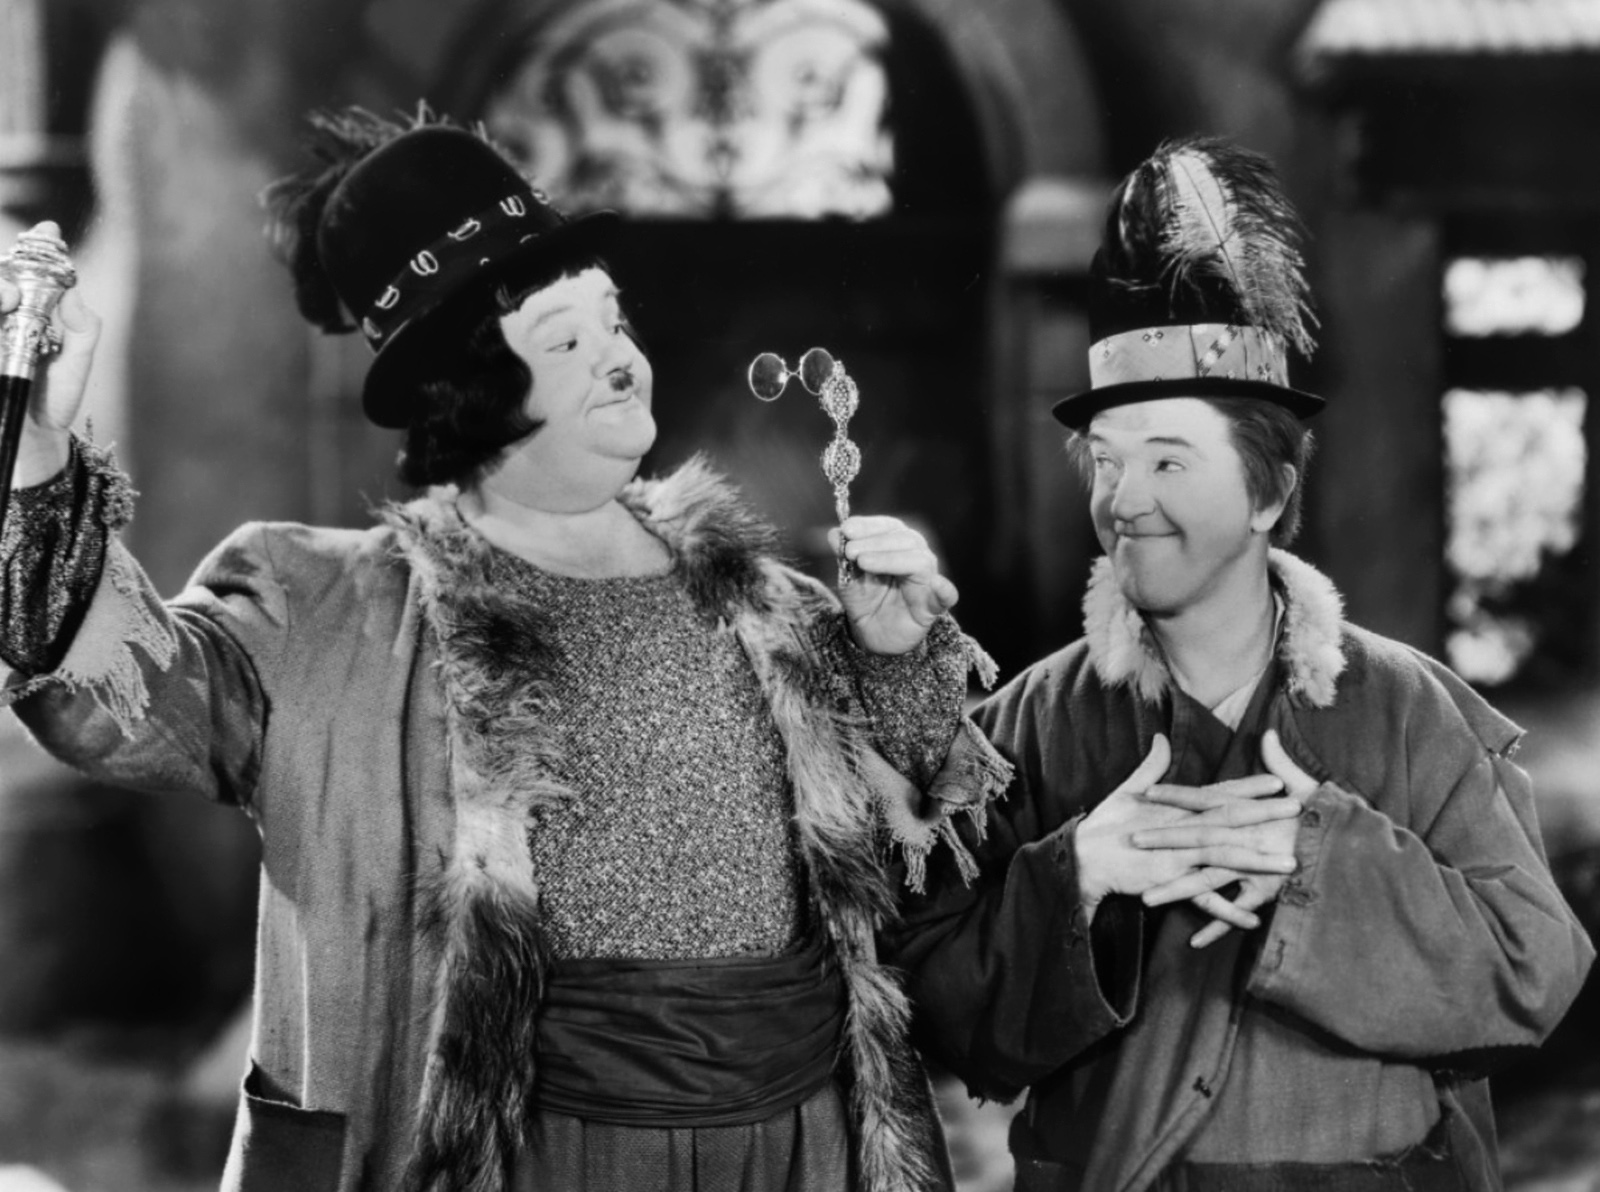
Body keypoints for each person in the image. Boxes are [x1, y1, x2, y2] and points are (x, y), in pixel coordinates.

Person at [0, 110, 1011, 1192]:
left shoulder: (778, 608)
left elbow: (929, 869)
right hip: (511, 1158)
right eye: (565, 342)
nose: (618, 359)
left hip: (795, 1152)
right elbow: (114, 701)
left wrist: (897, 659)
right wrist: (39, 452)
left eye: (614, 321)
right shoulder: (318, 612)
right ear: (470, 388)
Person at [885, 136, 1595, 1192]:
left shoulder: (1409, 710)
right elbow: (932, 1006)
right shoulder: (1026, 724)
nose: (1123, 500)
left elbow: (1535, 972)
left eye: (1169, 461)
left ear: (1268, 493)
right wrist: (1075, 878)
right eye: (1107, 461)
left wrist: (1319, 859)